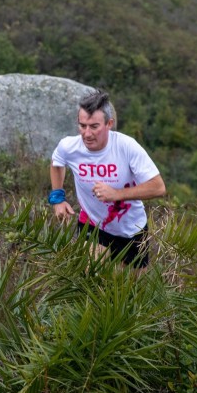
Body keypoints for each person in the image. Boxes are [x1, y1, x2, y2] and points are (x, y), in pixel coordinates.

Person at [49, 89, 166, 268]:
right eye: (82, 125)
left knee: (130, 291)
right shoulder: (69, 146)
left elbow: (158, 187)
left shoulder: (126, 147)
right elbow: (57, 163)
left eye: (94, 126)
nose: (87, 134)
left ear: (109, 123)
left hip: (131, 229)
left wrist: (116, 194)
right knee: (93, 280)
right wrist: (58, 198)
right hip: (92, 224)